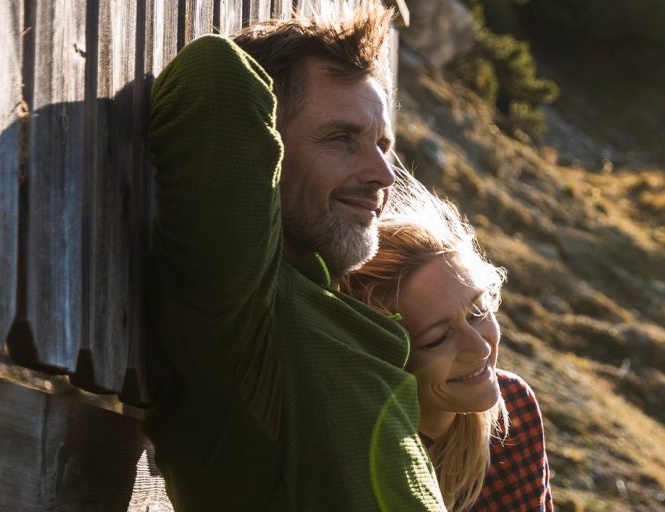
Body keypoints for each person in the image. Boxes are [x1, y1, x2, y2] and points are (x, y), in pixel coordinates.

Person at [143, 5, 446, 510]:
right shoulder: (243, 307)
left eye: (383, 145)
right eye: (341, 138)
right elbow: (217, 73)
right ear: (269, 148)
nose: (383, 175)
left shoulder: (320, 309)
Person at [340, 181, 553, 511]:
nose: (480, 348)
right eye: (438, 338)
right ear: (383, 355)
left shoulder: (513, 409)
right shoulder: (353, 463)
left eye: (478, 312)